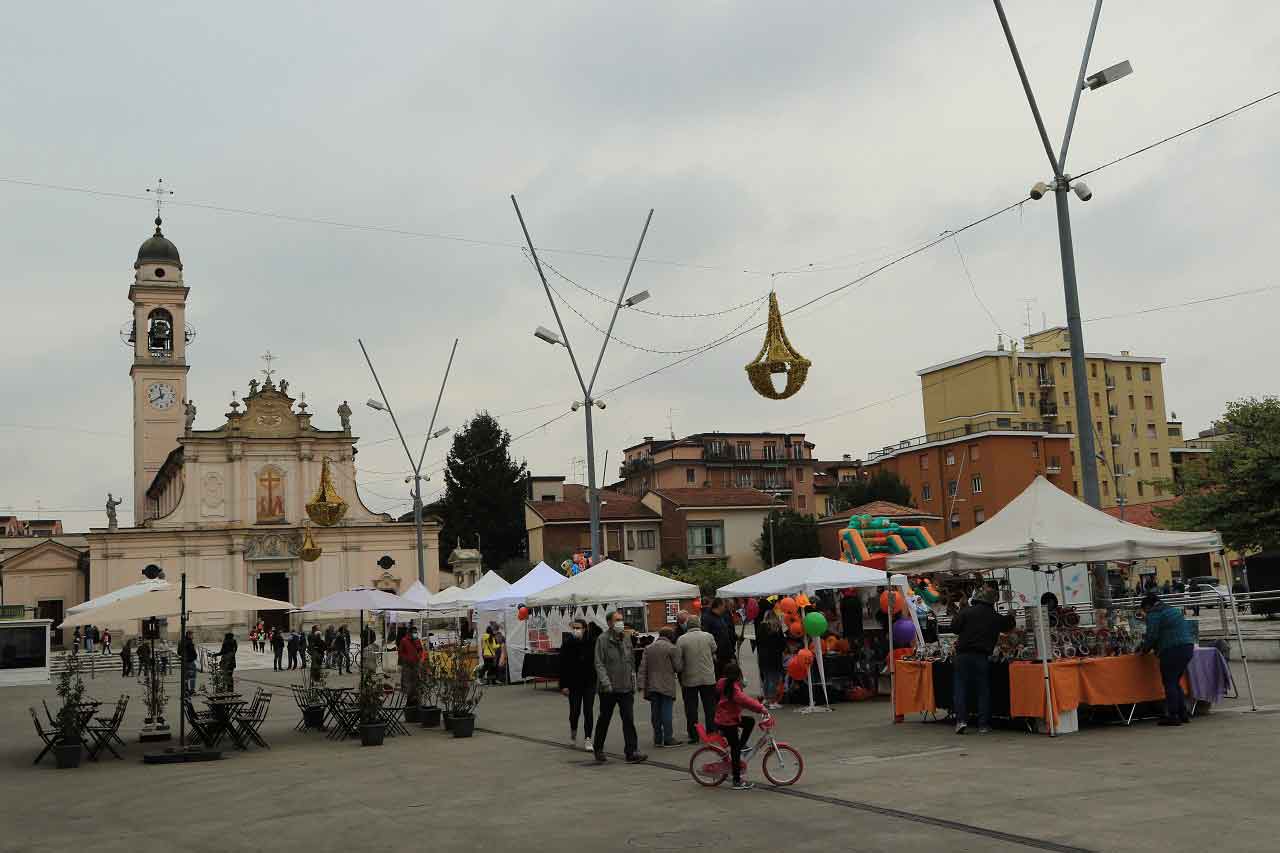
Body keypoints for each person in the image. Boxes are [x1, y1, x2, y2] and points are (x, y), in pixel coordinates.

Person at [950, 587, 1015, 735]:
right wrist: (1011, 615)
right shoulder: (994, 615)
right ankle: (983, 725)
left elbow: (954, 628)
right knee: (982, 690)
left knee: (960, 688)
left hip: (962, 655)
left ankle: (961, 721)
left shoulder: (967, 611)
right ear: (992, 601)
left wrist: (961, 610)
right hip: (981, 657)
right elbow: (1008, 626)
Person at [592, 611, 646, 765]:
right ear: (609, 623)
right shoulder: (602, 640)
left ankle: (632, 751)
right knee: (604, 719)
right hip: (608, 689)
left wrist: (634, 681)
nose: (620, 623)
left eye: (621, 620)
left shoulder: (627, 637)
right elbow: (599, 664)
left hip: (625, 687)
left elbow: (631, 661)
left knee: (628, 719)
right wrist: (606, 683)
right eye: (617, 620)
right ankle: (598, 748)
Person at [1140, 593, 1195, 726]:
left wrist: (1144, 649)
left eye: (1144, 609)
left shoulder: (1154, 614)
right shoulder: (1173, 610)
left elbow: (1152, 636)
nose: (1144, 613)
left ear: (1148, 606)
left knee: (1169, 682)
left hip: (1171, 650)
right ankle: (1183, 714)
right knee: (1175, 682)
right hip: (1187, 647)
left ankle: (1173, 715)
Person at [715, 661, 769, 791]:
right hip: (727, 721)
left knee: (749, 721)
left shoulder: (723, 683)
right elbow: (745, 700)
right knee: (735, 750)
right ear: (737, 675)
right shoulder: (733, 689)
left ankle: (741, 746)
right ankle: (737, 780)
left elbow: (744, 699)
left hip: (727, 718)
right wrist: (761, 708)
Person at [676, 611, 719, 743]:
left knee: (691, 708)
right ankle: (711, 731)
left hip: (690, 678)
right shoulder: (708, 636)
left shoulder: (682, 639)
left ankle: (694, 735)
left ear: (687, 625)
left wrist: (680, 671)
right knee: (709, 707)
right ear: (699, 624)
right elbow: (714, 649)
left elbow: (678, 660)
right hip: (708, 677)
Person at [638, 626, 682, 748]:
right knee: (666, 712)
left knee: (655, 713)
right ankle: (668, 738)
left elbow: (643, 667)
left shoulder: (648, 648)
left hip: (652, 685)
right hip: (666, 684)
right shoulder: (672, 648)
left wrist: (640, 684)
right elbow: (678, 667)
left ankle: (657, 738)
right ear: (670, 636)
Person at [559, 618, 598, 750]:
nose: (576, 630)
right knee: (574, 711)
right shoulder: (567, 643)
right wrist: (563, 685)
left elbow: (597, 662)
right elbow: (562, 666)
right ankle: (573, 732)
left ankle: (588, 738)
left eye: (578, 628)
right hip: (573, 684)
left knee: (588, 711)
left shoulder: (591, 642)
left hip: (589, 683)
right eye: (574, 628)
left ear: (585, 628)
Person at [753, 604, 785, 709]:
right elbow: (782, 643)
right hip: (774, 657)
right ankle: (772, 700)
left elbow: (757, 642)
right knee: (774, 679)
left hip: (763, 657)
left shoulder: (761, 627)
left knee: (766, 678)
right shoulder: (776, 627)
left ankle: (766, 699)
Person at [702, 599, 736, 678]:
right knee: (718, 680)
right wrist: (712, 653)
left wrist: (732, 655)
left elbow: (725, 636)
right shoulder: (707, 618)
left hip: (726, 655)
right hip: (716, 656)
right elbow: (706, 636)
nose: (725, 608)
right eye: (724, 606)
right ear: (719, 606)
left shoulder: (721, 617)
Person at [398, 624, 424, 699]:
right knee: (407, 678)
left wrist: (419, 656)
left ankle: (416, 692)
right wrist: (406, 659)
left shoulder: (417, 640)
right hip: (407, 664)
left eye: (416, 632)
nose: (415, 634)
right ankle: (408, 693)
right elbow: (400, 652)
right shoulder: (404, 640)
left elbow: (420, 649)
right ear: (409, 633)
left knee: (416, 678)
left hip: (416, 663)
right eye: (414, 632)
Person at [178, 630, 198, 695]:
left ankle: (186, 690)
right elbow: (193, 651)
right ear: (189, 635)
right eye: (192, 635)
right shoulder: (189, 642)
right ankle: (192, 690)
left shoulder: (180, 642)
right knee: (192, 676)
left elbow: (178, 652)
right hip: (190, 661)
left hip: (184, 661)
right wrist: (195, 656)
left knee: (185, 677)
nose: (193, 636)